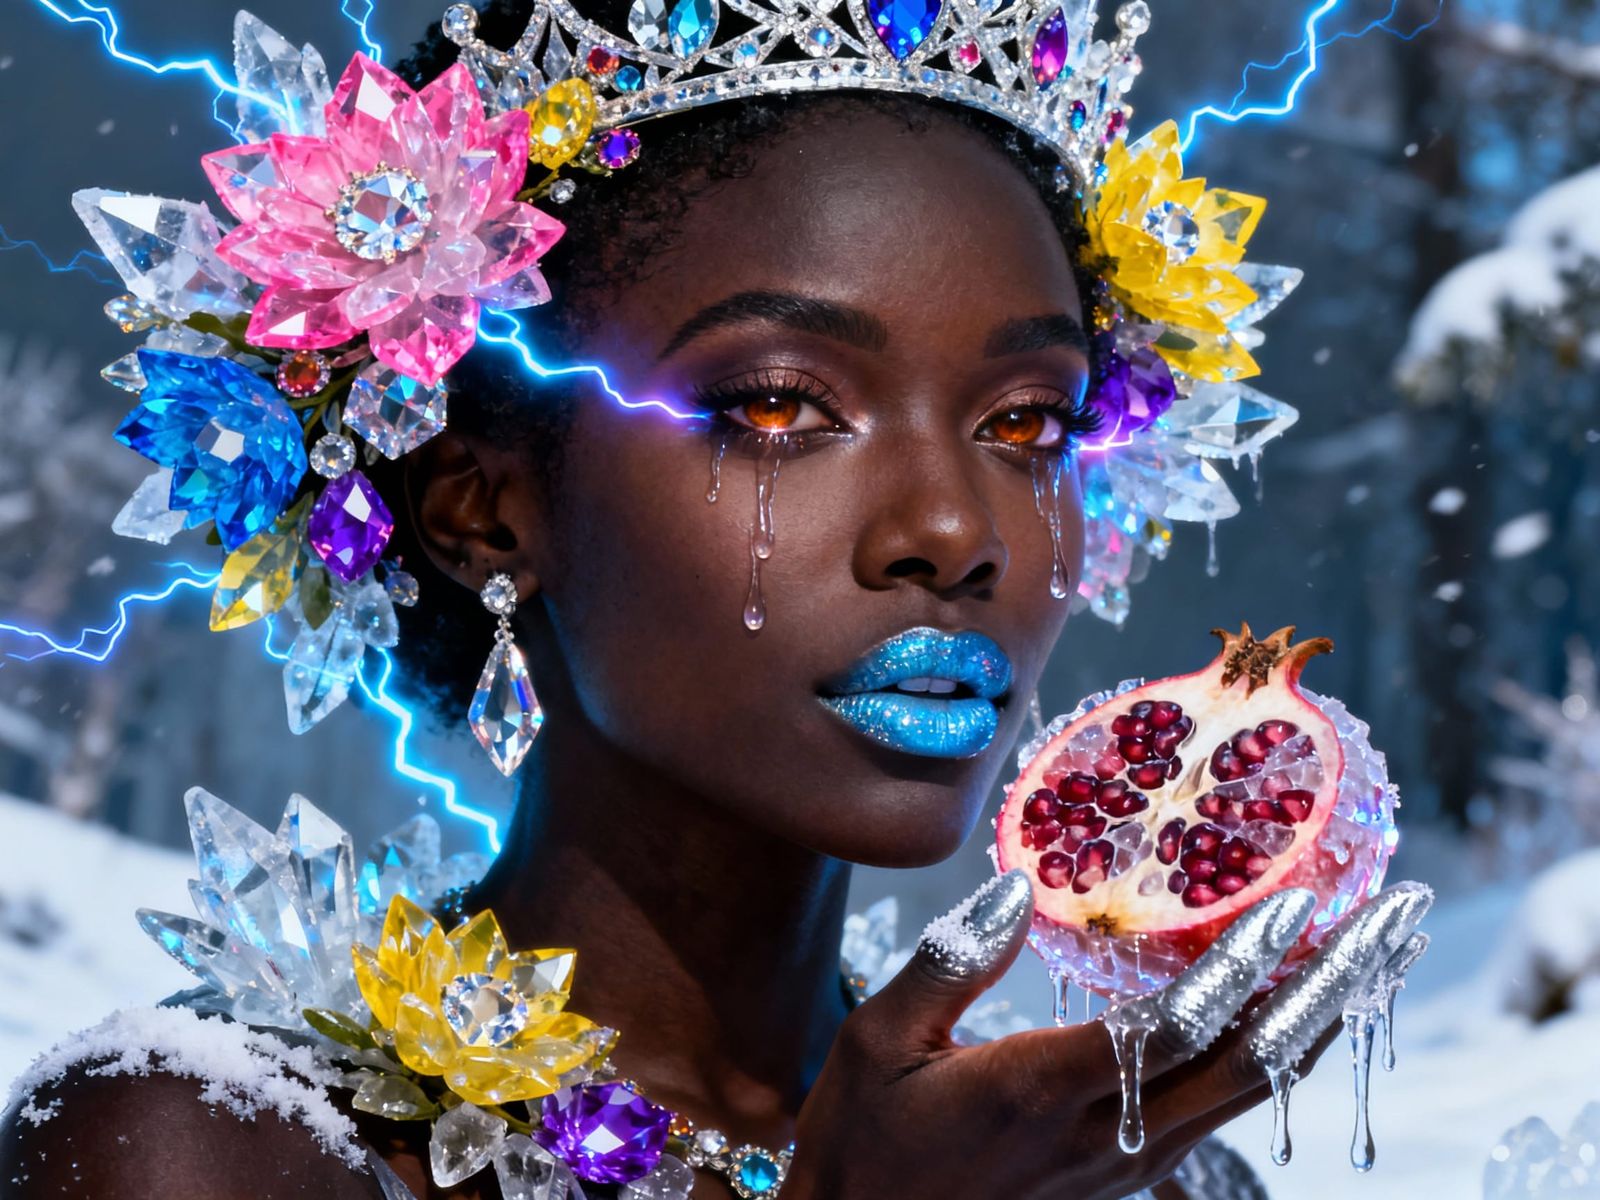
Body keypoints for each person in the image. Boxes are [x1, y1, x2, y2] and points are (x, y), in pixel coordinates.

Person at [1, 0, 1430, 1196]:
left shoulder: (1120, 1168)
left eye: (1028, 424)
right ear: (479, 509)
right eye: (779, 407)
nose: (954, 529)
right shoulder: (209, 1150)